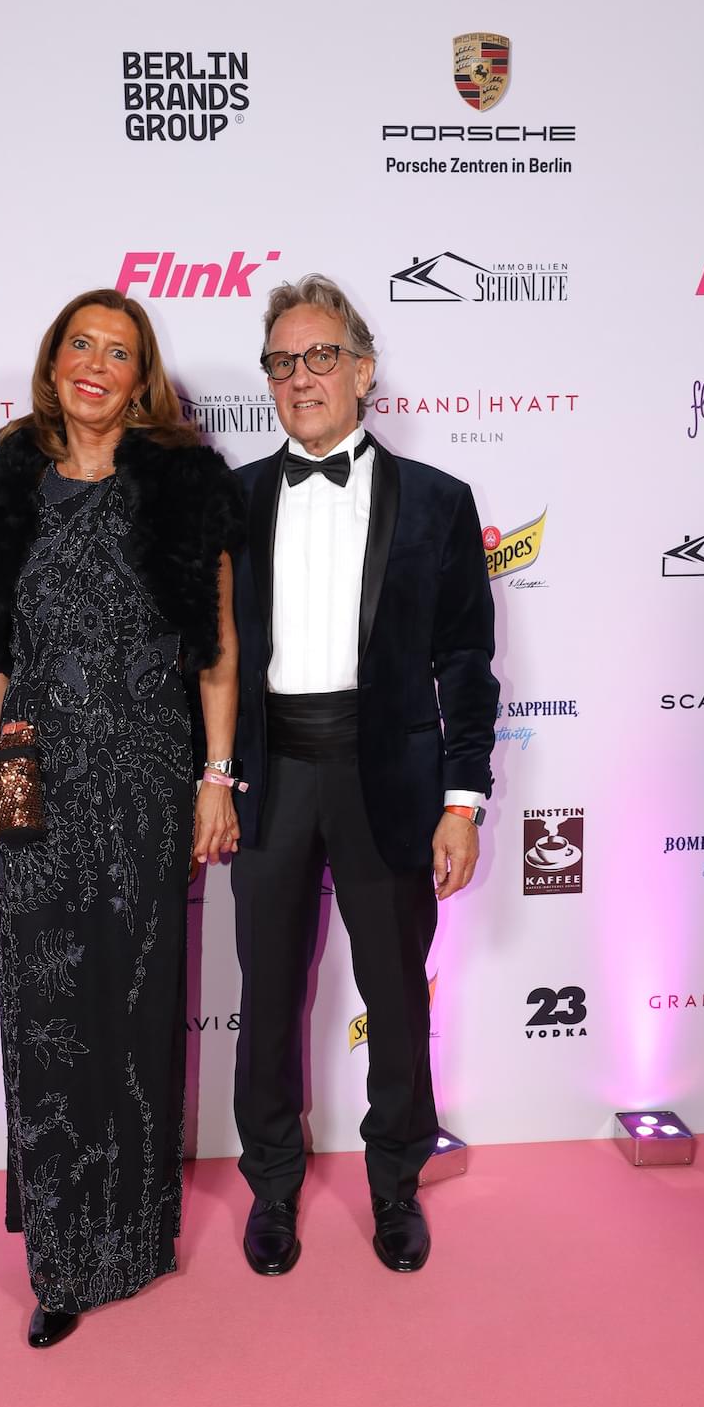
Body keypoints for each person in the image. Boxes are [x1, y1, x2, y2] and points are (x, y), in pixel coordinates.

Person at [0, 289, 242, 1347]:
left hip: (142, 776)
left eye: (117, 352)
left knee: (127, 1005)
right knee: (41, 1004)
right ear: (53, 362)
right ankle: (59, 1259)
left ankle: (128, 1239)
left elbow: (214, 647)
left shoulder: (181, 481)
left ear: (141, 378)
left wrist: (216, 776)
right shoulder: (12, 473)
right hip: (28, 769)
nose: (94, 363)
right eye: (79, 344)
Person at [229, 274, 498, 1276]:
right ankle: (272, 1188)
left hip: (389, 775)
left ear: (363, 370)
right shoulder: (232, 502)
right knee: (267, 1000)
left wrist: (463, 800)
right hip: (269, 777)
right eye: (282, 361)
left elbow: (465, 663)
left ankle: (394, 1186)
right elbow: (205, 658)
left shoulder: (438, 502)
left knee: (395, 992)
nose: (301, 378)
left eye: (321, 356)